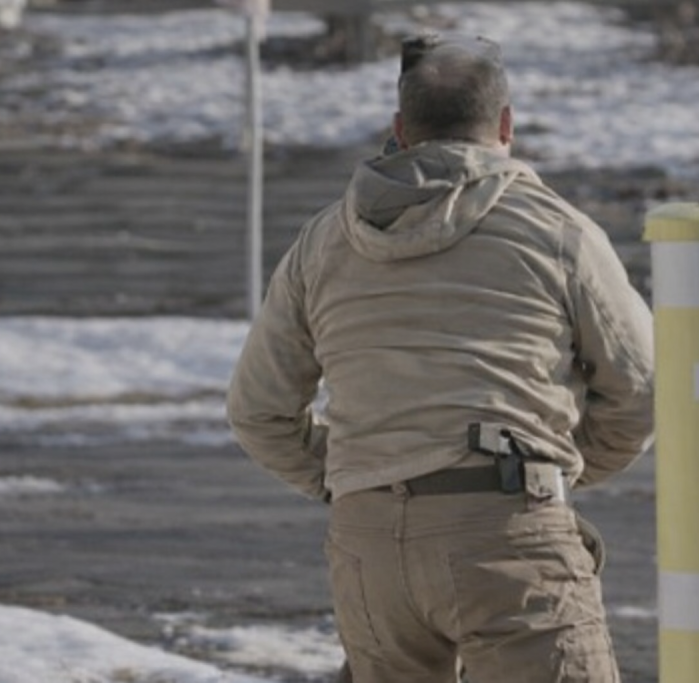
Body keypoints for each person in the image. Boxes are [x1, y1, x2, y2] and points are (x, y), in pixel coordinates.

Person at [227, 32, 655, 683]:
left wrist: (361, 471)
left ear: (400, 129)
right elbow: (643, 386)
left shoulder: (322, 242)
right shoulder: (556, 230)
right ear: (505, 124)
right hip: (506, 526)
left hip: (369, 546)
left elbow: (257, 411)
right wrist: (555, 467)